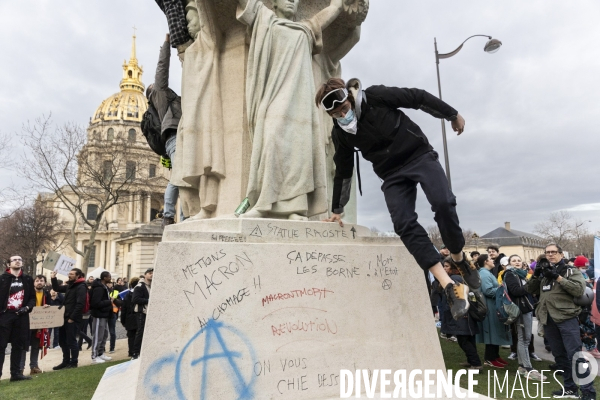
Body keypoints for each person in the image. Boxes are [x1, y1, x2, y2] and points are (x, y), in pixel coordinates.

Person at [316, 77, 480, 320]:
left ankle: (458, 258)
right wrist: (337, 208)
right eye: (336, 115)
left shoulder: (377, 96)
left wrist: (451, 114)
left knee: (443, 203)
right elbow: (342, 170)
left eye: (344, 109)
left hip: (418, 155)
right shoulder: (341, 134)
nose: (343, 116)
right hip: (391, 174)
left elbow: (418, 97)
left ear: (350, 99)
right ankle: (450, 286)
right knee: (402, 223)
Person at [526, 244, 595, 400]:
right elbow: (530, 290)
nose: (550, 255)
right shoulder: (543, 273)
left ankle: (588, 392)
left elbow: (578, 290)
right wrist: (536, 275)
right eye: (547, 253)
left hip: (567, 318)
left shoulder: (571, 271)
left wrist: (557, 277)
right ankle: (570, 388)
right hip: (549, 319)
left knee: (576, 356)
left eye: (553, 252)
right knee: (560, 356)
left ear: (561, 254)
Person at [147, 33, 183, 227]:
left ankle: (185, 217)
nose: (157, 84)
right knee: (179, 175)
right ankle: (168, 215)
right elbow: (162, 69)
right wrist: (166, 44)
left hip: (183, 137)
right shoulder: (159, 95)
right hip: (175, 138)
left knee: (185, 177)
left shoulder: (171, 98)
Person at [503, 255, 545, 380]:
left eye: (519, 260)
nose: (517, 262)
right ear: (509, 263)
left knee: (525, 338)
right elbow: (516, 291)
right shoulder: (510, 274)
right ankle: (528, 368)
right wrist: (530, 286)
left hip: (526, 308)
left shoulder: (521, 274)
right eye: (513, 261)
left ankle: (522, 367)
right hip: (520, 309)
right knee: (524, 339)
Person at [0, 255, 35, 381]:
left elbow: (32, 298)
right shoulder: (3, 279)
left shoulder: (27, 279)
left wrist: (26, 308)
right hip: (5, 315)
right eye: (14, 260)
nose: (17, 261)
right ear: (9, 264)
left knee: (18, 346)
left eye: (20, 259)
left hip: (21, 316)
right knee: (1, 346)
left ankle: (15, 374)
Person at [440, 263, 482, 369]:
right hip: (466, 313)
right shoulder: (460, 278)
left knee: (464, 340)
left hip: (462, 314)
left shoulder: (454, 279)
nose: (444, 268)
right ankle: (472, 361)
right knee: (469, 339)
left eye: (447, 266)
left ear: (454, 269)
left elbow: (457, 298)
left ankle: (476, 363)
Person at [475, 254, 511, 368]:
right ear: (486, 262)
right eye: (491, 259)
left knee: (495, 331)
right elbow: (488, 290)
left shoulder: (486, 273)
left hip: (492, 305)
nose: (493, 261)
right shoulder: (484, 274)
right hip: (489, 306)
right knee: (492, 331)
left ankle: (495, 355)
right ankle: (489, 358)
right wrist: (502, 288)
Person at [51, 268, 87, 370]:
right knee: (62, 341)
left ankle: (74, 362)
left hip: (72, 318)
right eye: (69, 274)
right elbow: (57, 288)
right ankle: (65, 361)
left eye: (71, 274)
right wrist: (53, 278)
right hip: (64, 317)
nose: (69, 275)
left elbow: (80, 304)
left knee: (71, 341)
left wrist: (72, 317)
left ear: (78, 275)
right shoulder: (71, 286)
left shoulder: (81, 287)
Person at [19, 275, 52, 376]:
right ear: (33, 283)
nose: (39, 282)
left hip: (39, 324)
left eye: (41, 281)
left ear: (45, 283)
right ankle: (20, 368)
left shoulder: (46, 294)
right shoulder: (28, 293)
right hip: (27, 322)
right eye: (37, 281)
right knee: (23, 346)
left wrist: (47, 307)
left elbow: (50, 308)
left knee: (36, 346)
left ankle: (34, 366)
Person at [90, 271, 113, 364]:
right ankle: (94, 356)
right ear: (105, 278)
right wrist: (109, 302)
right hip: (99, 314)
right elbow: (95, 303)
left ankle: (100, 353)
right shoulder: (99, 288)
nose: (110, 278)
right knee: (98, 336)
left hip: (104, 314)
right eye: (109, 277)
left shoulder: (104, 287)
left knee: (104, 335)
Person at [131, 268, 153, 359]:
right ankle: (135, 353)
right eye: (149, 273)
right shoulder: (140, 286)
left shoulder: (151, 285)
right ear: (145, 275)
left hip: (148, 312)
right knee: (140, 331)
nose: (151, 274)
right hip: (141, 312)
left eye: (153, 273)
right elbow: (135, 299)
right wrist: (148, 300)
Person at [120, 277, 140, 357]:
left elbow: (123, 309)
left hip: (129, 318)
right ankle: (136, 351)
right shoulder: (138, 294)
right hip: (137, 317)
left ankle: (131, 352)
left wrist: (123, 321)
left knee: (131, 337)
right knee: (137, 336)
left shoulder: (127, 295)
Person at [106, 281, 119, 354]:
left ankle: (112, 347)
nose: (109, 284)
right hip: (105, 313)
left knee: (112, 332)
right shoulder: (103, 291)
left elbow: (120, 302)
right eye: (108, 283)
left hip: (112, 313)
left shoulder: (115, 292)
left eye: (110, 283)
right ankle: (102, 348)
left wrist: (114, 300)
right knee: (104, 333)